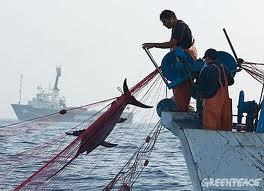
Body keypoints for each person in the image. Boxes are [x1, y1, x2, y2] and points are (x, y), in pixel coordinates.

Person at [143, 10, 197, 112]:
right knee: (180, 86)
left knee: (183, 85)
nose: (164, 25)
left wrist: (153, 45)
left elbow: (171, 44)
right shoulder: (176, 27)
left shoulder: (180, 26)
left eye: (164, 22)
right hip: (182, 62)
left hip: (187, 62)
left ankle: (184, 108)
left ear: (171, 18)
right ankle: (182, 106)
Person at [197, 48, 234, 131]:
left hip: (211, 103)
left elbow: (200, 88)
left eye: (205, 58)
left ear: (207, 58)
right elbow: (231, 82)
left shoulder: (206, 69)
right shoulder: (225, 68)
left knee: (211, 127)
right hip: (224, 102)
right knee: (225, 124)